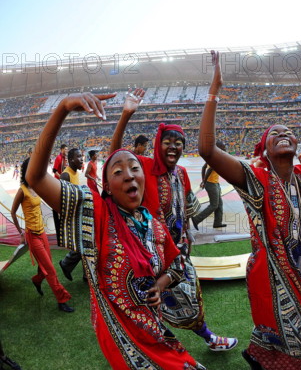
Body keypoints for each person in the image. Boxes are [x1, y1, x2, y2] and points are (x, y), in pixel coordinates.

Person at [199, 51, 301, 370]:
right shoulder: (256, 178)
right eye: (275, 133)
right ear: (263, 149)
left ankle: (258, 357)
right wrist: (214, 89)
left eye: (288, 132)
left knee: (297, 328)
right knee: (290, 336)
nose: (284, 134)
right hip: (271, 274)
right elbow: (207, 149)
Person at [26, 92, 206, 370]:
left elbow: (177, 263)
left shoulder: (154, 226)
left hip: (155, 330)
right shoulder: (96, 212)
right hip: (123, 339)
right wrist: (62, 109)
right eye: (118, 171)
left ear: (144, 178)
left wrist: (160, 285)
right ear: (107, 186)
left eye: (135, 168)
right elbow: (36, 177)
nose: (129, 174)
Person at [111, 89, 237, 352]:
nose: (173, 146)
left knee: (189, 300)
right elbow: (114, 156)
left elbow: (185, 210)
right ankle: (195, 344)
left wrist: (187, 239)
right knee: (151, 306)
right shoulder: (144, 166)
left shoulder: (180, 173)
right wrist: (126, 114)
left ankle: (196, 341)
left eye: (178, 142)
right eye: (168, 140)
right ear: (159, 144)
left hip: (176, 255)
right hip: (146, 255)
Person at [11, 158, 74, 312]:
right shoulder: (22, 190)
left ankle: (37, 280)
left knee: (46, 267)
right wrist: (21, 232)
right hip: (32, 235)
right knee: (51, 270)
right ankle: (62, 300)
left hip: (42, 233)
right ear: (28, 171)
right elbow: (13, 211)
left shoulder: (37, 187)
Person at [57, 148, 86, 283]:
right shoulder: (65, 176)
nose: (81, 159)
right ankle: (66, 264)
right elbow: (63, 201)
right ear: (70, 160)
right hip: (73, 218)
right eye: (78, 157)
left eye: (81, 156)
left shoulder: (76, 173)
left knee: (86, 244)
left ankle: (70, 266)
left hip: (79, 215)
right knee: (84, 244)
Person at [195, 140, 227, 228]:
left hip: (215, 183)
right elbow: (208, 170)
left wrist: (203, 180)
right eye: (223, 147)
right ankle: (196, 219)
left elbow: (203, 167)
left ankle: (217, 223)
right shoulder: (216, 157)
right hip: (211, 184)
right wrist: (204, 182)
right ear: (218, 148)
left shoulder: (214, 156)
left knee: (219, 204)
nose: (225, 149)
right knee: (214, 205)